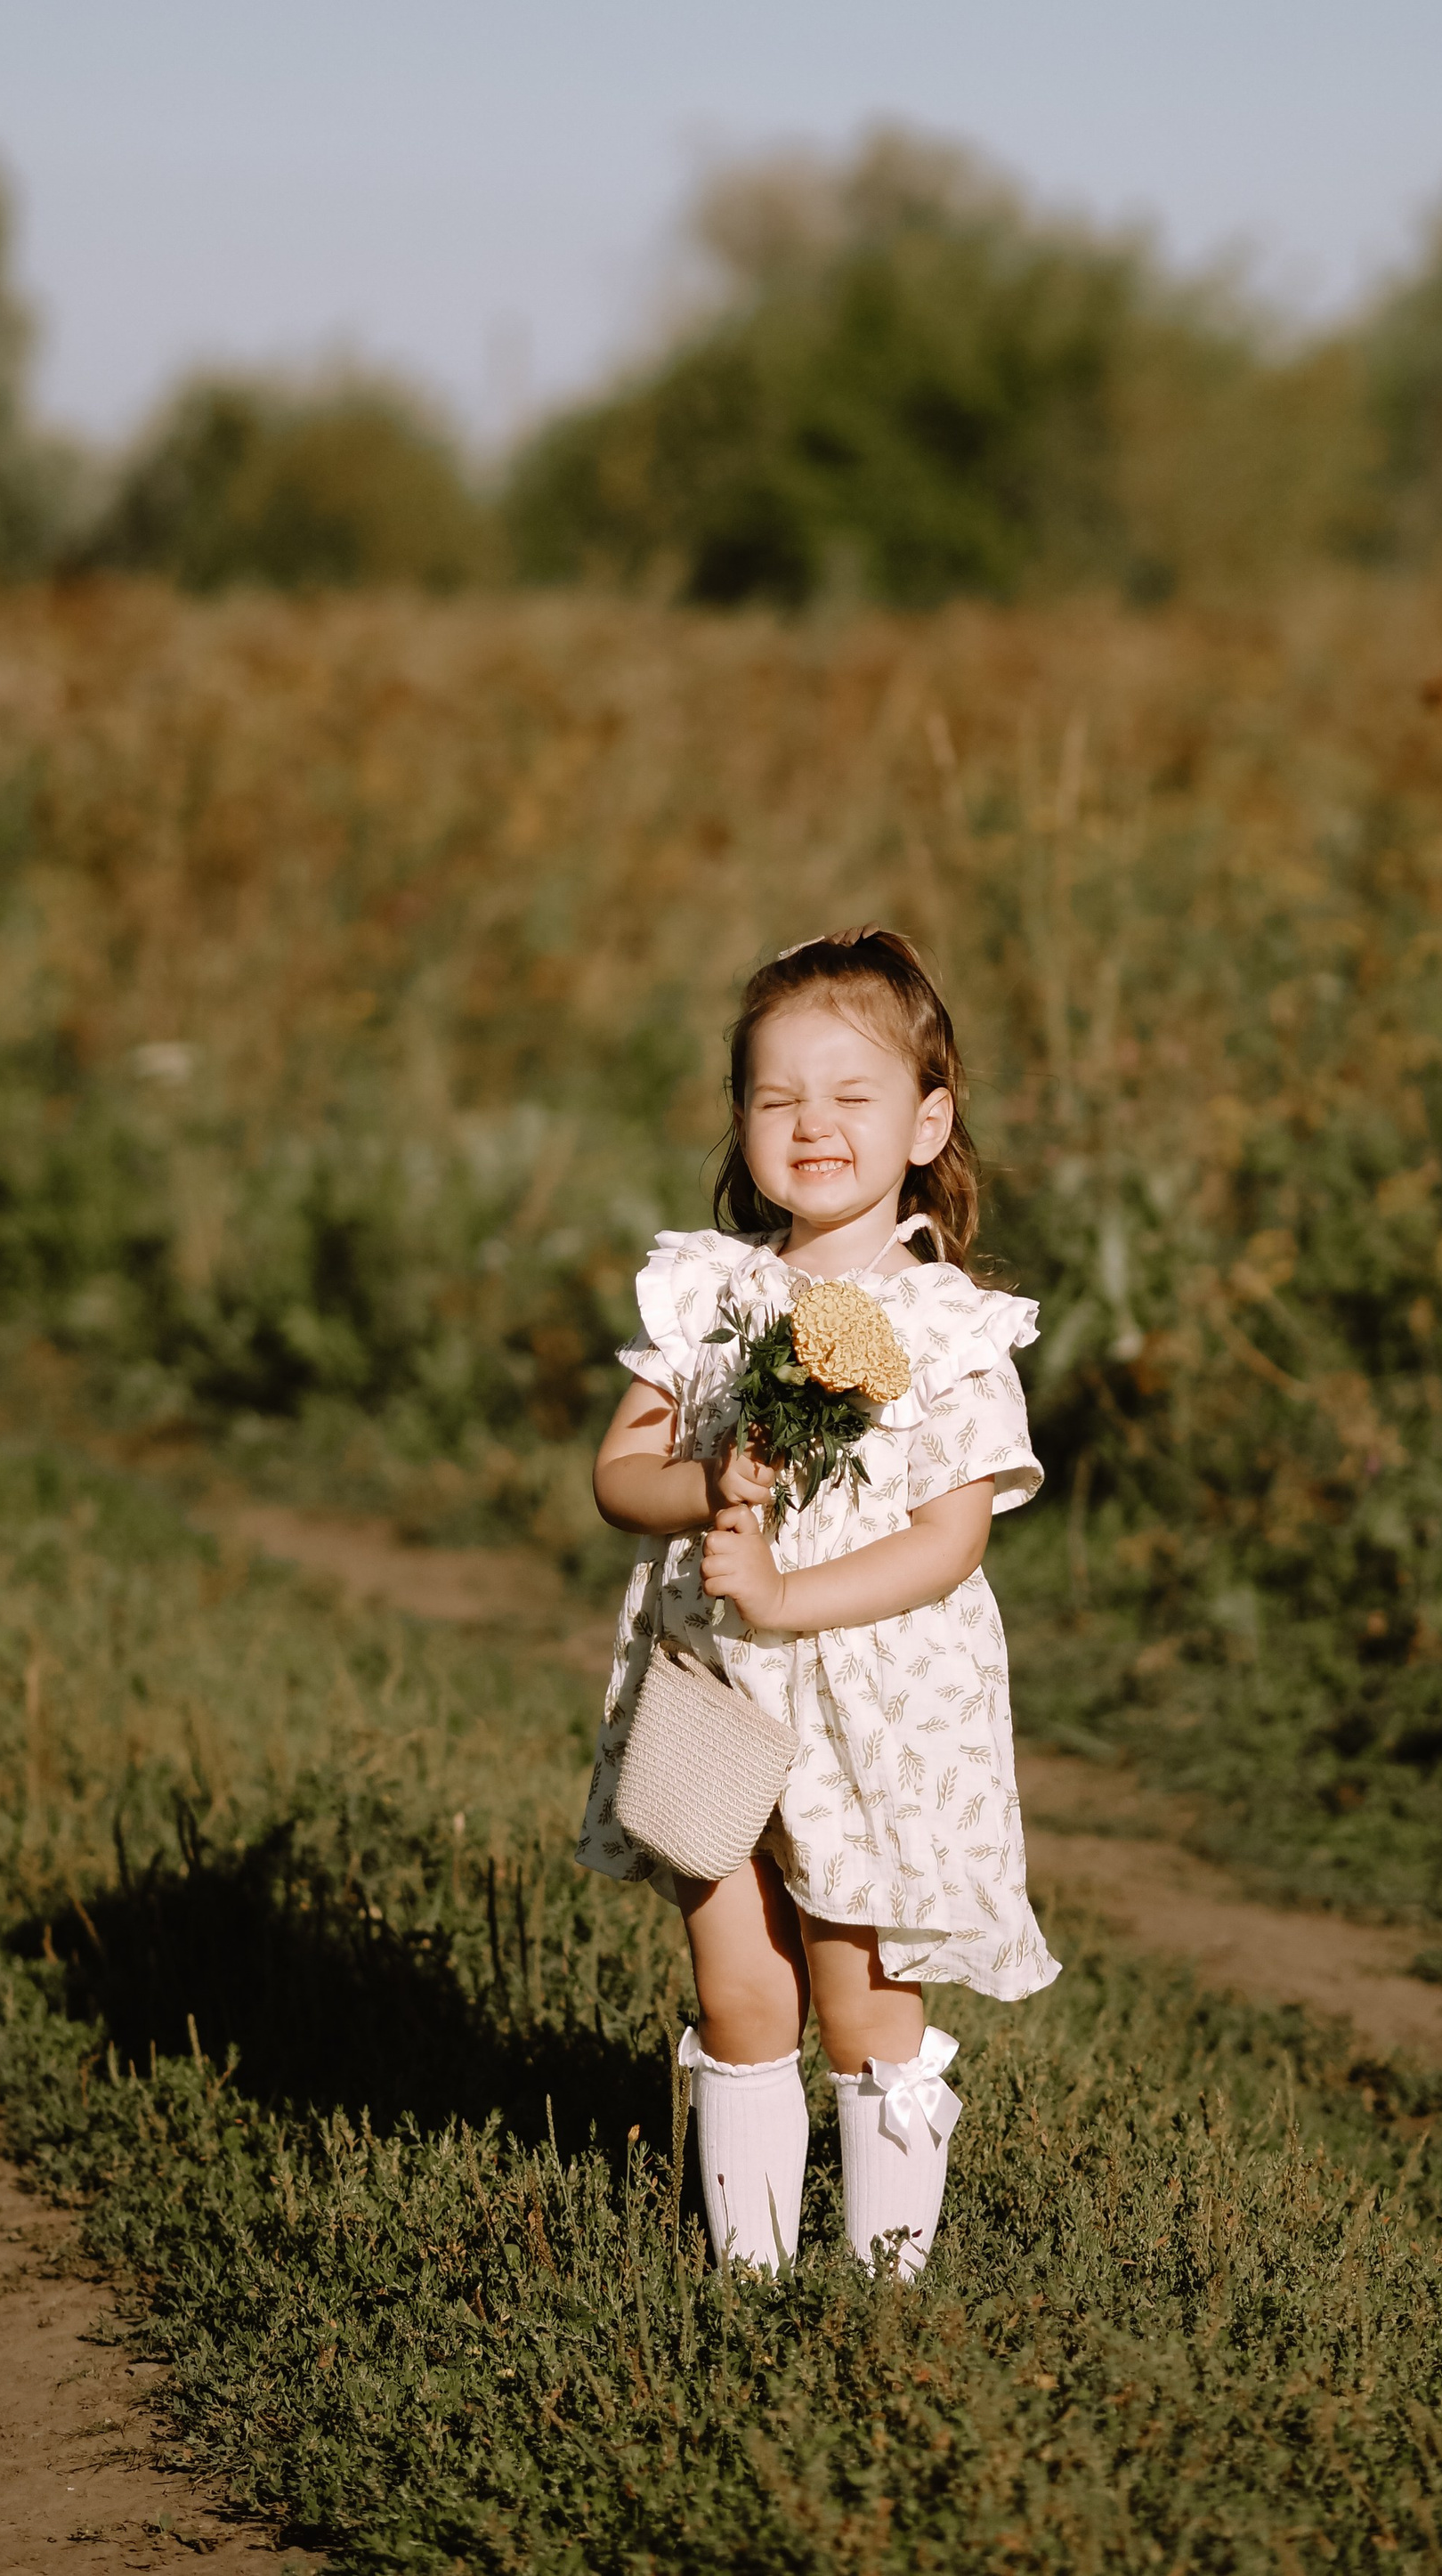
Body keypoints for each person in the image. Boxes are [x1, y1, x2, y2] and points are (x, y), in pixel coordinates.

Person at [576, 926, 1059, 2280]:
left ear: (928, 1119)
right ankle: (751, 2277)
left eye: (854, 1095)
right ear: (740, 1121)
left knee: (858, 1997)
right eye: (778, 1096)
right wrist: (704, 1481)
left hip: (876, 1701)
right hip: (719, 1688)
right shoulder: (713, 1293)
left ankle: (884, 2281)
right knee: (740, 1983)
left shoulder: (954, 1324)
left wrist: (790, 1592)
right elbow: (621, 1476)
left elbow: (948, 1540)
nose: (815, 1124)